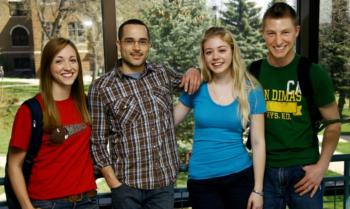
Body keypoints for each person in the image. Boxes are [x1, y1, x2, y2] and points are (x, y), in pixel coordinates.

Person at [88, 19, 201, 209]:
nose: (136, 48)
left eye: (142, 41)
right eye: (130, 41)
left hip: (163, 186)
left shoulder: (162, 74)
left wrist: (195, 69)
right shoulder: (102, 88)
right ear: (119, 44)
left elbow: (190, 82)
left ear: (149, 45)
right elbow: (97, 142)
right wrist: (114, 183)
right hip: (127, 188)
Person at [255, 2, 341, 209]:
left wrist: (321, 167)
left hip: (305, 172)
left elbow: (334, 125)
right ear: (263, 34)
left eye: (285, 32)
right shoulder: (253, 72)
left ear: (296, 32)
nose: (278, 41)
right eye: (271, 33)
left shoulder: (313, 73)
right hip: (265, 173)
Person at [173, 27, 266, 209]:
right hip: (202, 180)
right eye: (209, 52)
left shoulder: (252, 90)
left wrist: (258, 190)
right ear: (204, 56)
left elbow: (258, 142)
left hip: (239, 176)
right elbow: (167, 124)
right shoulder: (197, 87)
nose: (216, 57)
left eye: (222, 50)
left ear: (232, 51)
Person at [7, 38, 98, 209]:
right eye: (59, 61)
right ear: (48, 66)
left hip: (88, 200)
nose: (68, 67)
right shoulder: (31, 110)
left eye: (72, 60)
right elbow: (14, 165)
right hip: (49, 203)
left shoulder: (86, 104)